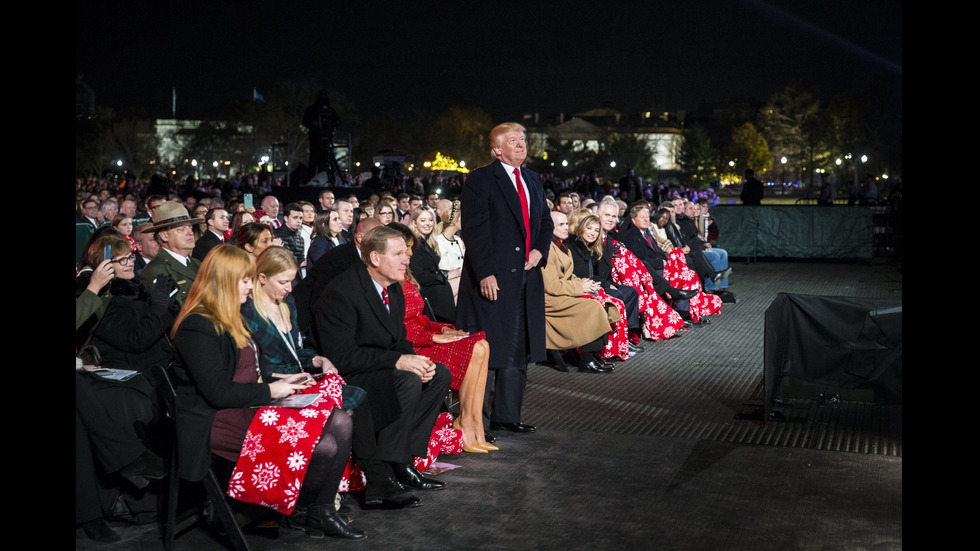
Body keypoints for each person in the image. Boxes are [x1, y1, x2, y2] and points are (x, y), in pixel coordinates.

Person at [170, 245, 364, 539]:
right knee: (322, 446)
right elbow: (218, 393)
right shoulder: (197, 325)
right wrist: (272, 389)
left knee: (341, 419)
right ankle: (302, 508)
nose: (251, 285)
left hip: (249, 405)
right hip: (218, 419)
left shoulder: (229, 316)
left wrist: (285, 380)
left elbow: (247, 372)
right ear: (223, 281)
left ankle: (319, 512)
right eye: (245, 280)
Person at [315, 225, 451, 504]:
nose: (407, 259)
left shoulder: (393, 287)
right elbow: (342, 357)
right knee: (407, 378)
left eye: (406, 252)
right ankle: (384, 473)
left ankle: (403, 462)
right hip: (351, 375)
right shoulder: (342, 292)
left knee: (439, 374)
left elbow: (396, 339)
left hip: (379, 368)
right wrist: (399, 360)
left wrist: (417, 359)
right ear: (375, 258)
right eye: (399, 253)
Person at [457, 122, 554, 436]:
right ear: (497, 149)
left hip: (526, 276)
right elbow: (475, 229)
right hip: (493, 277)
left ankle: (507, 415)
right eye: (513, 140)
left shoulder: (533, 179)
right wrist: (485, 271)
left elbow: (545, 222)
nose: (521, 145)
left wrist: (540, 250)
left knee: (517, 346)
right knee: (488, 347)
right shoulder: (481, 179)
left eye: (523, 139)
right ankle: (477, 421)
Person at [390, 223, 494, 453]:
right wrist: (434, 336)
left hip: (423, 336)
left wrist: (444, 329)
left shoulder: (404, 276)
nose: (408, 254)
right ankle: (466, 423)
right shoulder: (389, 280)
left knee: (482, 345)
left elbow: (417, 317)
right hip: (412, 347)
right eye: (403, 249)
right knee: (476, 349)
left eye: (409, 248)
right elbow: (398, 327)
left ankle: (475, 424)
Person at [543, 212, 618, 373]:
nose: (567, 227)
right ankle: (587, 359)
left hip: (562, 294)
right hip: (550, 301)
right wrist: (580, 287)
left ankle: (593, 355)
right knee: (593, 306)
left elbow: (569, 276)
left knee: (601, 300)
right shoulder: (548, 248)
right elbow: (552, 286)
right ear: (550, 226)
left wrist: (586, 283)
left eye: (566, 223)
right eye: (561, 225)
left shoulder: (561, 246)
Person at [139, 202, 204, 306]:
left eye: (190, 228)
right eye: (181, 229)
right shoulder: (155, 271)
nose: (190, 232)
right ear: (164, 236)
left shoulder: (197, 264)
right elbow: (174, 311)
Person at [409, 208, 456, 323]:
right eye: (423, 220)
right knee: (461, 284)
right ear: (414, 223)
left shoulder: (429, 242)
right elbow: (419, 276)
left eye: (430, 220)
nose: (428, 224)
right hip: (425, 291)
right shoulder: (414, 244)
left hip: (431, 286)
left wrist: (447, 274)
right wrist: (445, 276)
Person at [435, 200, 465, 302]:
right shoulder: (439, 241)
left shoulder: (458, 240)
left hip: (460, 283)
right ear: (454, 221)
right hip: (447, 284)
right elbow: (443, 268)